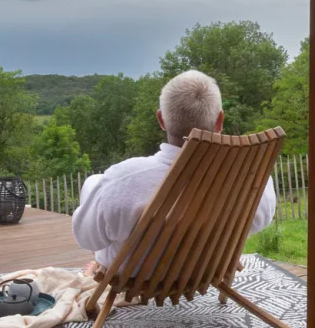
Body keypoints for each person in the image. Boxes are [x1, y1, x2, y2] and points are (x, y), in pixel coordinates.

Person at [72, 70, 276, 274]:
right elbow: (261, 221)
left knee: (94, 182)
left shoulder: (124, 179)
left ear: (161, 120)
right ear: (219, 120)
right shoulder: (252, 174)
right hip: (207, 267)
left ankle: (100, 266)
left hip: (135, 274)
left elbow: (88, 239)